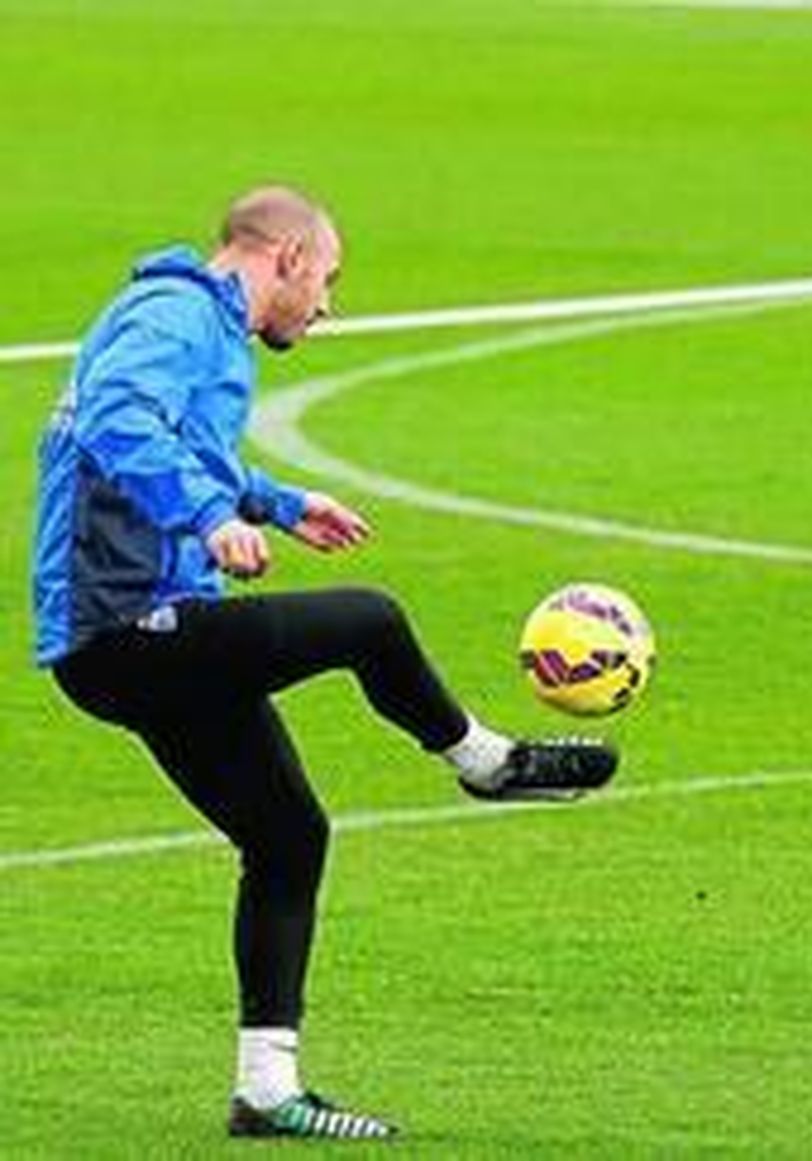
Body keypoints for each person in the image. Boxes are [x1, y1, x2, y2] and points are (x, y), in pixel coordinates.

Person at [31, 187, 620, 1138]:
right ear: (287, 257)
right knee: (368, 620)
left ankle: (266, 1089)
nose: (328, 306)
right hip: (125, 629)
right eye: (329, 280)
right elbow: (117, 418)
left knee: (289, 835)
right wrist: (209, 516)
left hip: (147, 630)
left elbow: (177, 438)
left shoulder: (196, 322)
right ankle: (484, 762)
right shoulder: (176, 314)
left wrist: (269, 499)